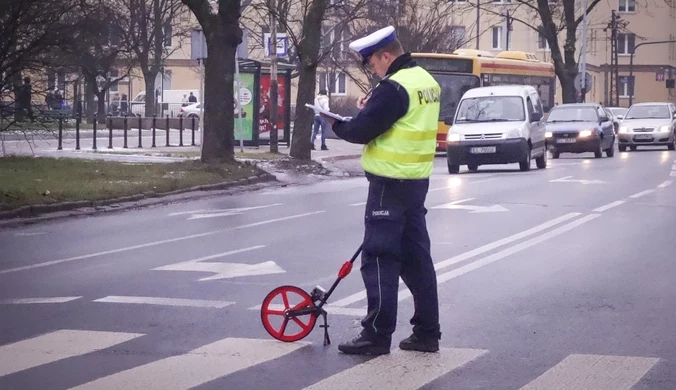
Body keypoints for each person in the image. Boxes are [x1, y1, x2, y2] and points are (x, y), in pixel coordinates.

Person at [320, 26, 442, 356]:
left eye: (372, 63)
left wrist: (336, 123)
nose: (372, 69)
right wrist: (372, 104)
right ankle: (427, 333)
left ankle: (376, 335)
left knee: (378, 259)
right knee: (417, 260)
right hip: (416, 183)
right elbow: (401, 120)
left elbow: (363, 130)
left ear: (385, 55)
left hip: (389, 185)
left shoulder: (394, 87)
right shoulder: (425, 82)